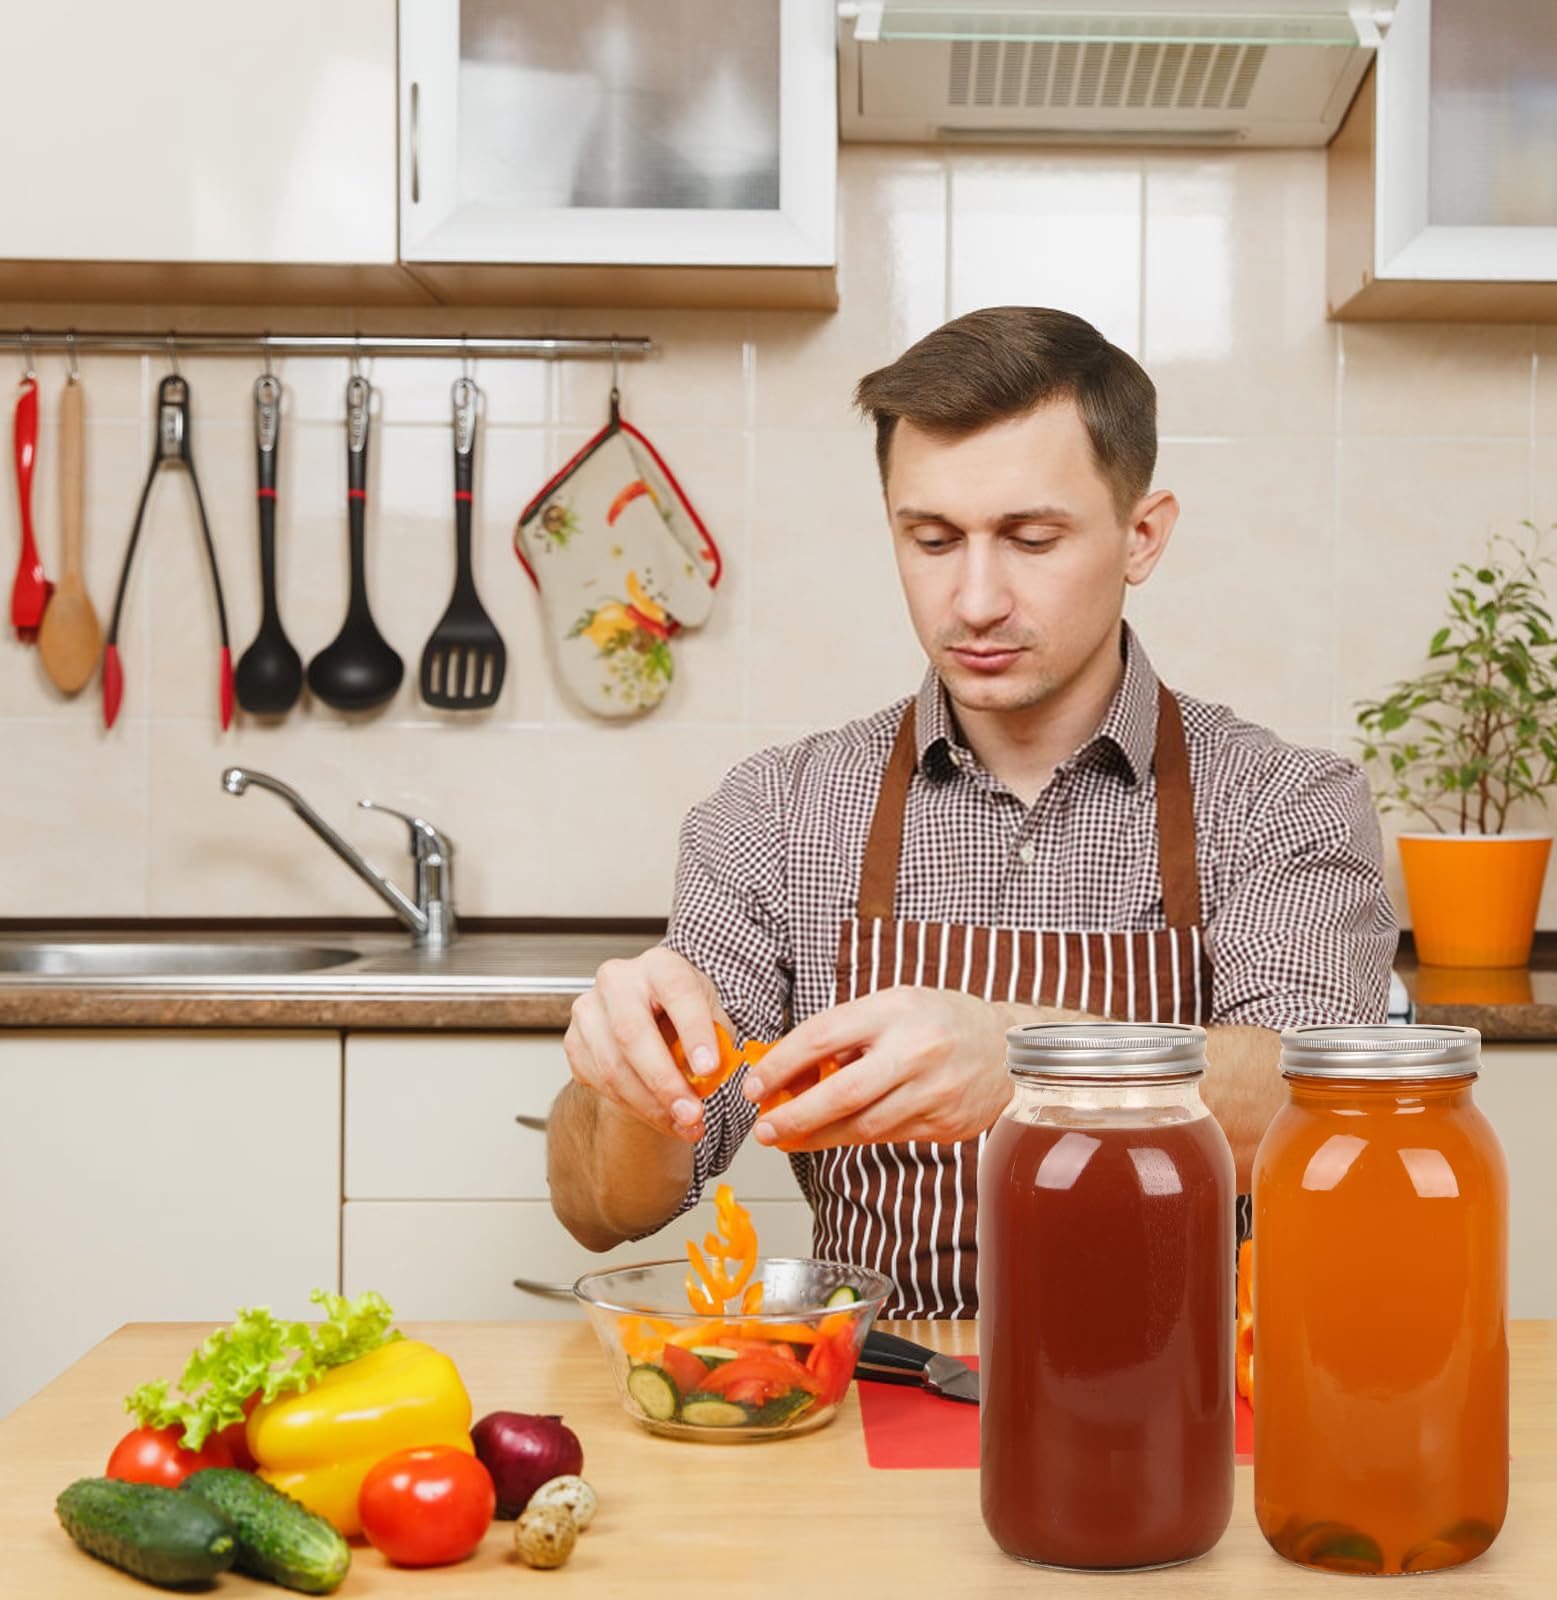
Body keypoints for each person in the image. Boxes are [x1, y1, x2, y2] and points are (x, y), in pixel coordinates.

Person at [548, 306, 1397, 1317]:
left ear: (1141, 536)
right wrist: (630, 1082)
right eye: (933, 539)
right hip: (881, 1394)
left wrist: (1030, 1064)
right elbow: (605, 1210)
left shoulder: (1284, 800)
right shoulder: (775, 811)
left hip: (1187, 1388)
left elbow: (1327, 1115)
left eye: (1031, 538)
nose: (975, 598)